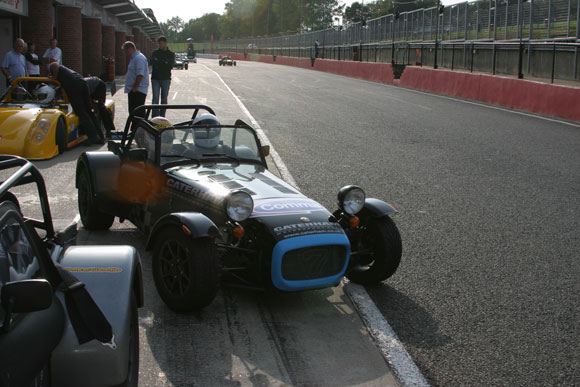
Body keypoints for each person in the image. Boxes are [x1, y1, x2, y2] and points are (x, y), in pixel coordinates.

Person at [49, 62, 103, 145]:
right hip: (81, 82)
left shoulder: (55, 66)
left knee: (81, 112)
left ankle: (93, 136)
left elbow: (54, 66)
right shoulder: (65, 71)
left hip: (74, 86)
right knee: (89, 110)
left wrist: (52, 78)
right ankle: (100, 136)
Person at [122, 41, 149, 118]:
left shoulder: (139, 58)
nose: (126, 54)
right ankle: (135, 128)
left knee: (137, 113)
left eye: (126, 51)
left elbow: (140, 74)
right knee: (133, 112)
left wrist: (135, 87)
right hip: (134, 89)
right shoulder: (134, 58)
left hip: (138, 90)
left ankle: (138, 128)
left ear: (130, 49)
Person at [150, 36, 174, 117]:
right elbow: (152, 62)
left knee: (164, 98)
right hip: (155, 78)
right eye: (159, 44)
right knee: (155, 98)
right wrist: (164, 62)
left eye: (161, 43)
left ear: (165, 43)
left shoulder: (170, 54)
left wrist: (159, 62)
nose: (160, 45)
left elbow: (170, 66)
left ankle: (162, 116)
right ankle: (155, 117)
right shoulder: (155, 52)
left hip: (166, 78)